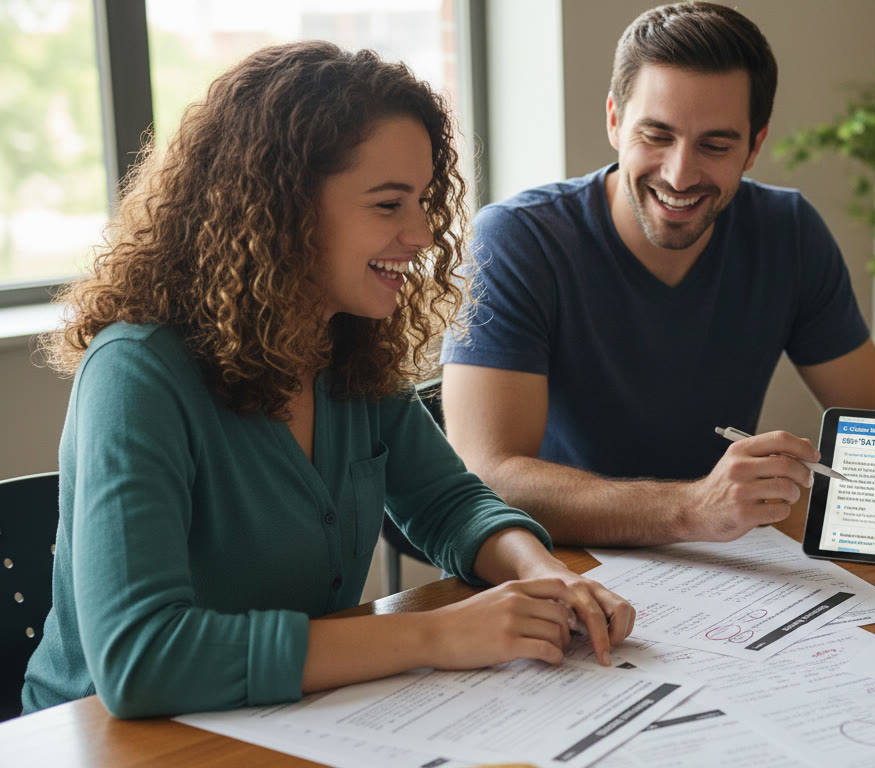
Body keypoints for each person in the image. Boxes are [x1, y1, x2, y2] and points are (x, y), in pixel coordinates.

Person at [22, 41, 633, 719]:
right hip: (103, 741)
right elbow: (142, 659)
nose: (424, 233)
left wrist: (540, 572)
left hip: (287, 722)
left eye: (424, 201)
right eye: (387, 204)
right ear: (281, 207)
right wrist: (435, 633)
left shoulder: (345, 344)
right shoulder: (137, 372)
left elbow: (448, 504)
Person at [439, 1, 875, 547]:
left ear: (754, 147)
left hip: (726, 561)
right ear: (614, 122)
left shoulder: (786, 230)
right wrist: (690, 508)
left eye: (715, 145)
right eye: (656, 134)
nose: (680, 175)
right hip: (566, 565)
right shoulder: (518, 238)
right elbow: (488, 472)